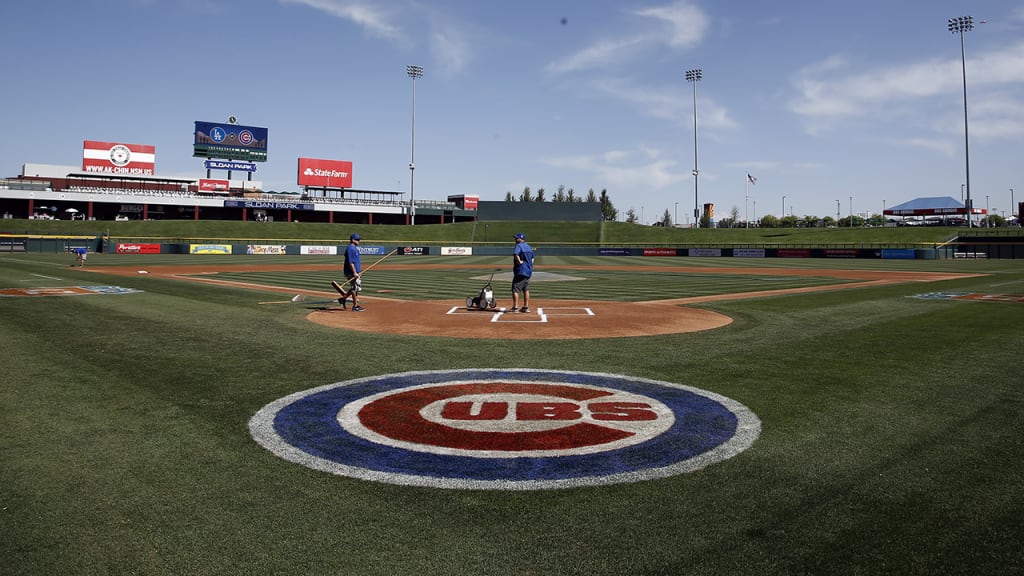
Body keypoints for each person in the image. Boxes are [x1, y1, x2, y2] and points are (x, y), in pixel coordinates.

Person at [332, 233, 365, 312]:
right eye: (357, 239)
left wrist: (359, 271)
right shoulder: (350, 249)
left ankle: (343, 299)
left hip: (355, 271)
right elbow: (351, 262)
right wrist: (354, 272)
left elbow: (356, 262)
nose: (359, 241)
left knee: (356, 288)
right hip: (351, 272)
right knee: (354, 288)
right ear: (353, 240)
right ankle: (355, 306)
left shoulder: (354, 248)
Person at [510, 232, 535, 313]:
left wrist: (519, 262)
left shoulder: (519, 246)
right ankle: (526, 307)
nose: (515, 239)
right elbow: (533, 258)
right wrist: (529, 265)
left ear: (521, 239)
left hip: (521, 271)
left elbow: (515, 254)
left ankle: (515, 307)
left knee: (515, 289)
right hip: (528, 271)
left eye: (517, 238)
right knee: (526, 289)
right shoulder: (528, 246)